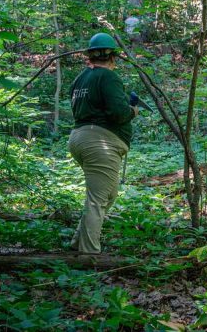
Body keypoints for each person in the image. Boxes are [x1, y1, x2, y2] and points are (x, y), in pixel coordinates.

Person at [68, 32, 138, 254]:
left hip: (81, 137)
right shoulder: (108, 77)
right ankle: (88, 255)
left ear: (90, 56)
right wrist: (132, 110)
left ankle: (77, 242)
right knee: (98, 199)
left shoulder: (80, 78)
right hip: (99, 142)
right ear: (113, 58)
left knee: (107, 195)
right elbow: (118, 113)